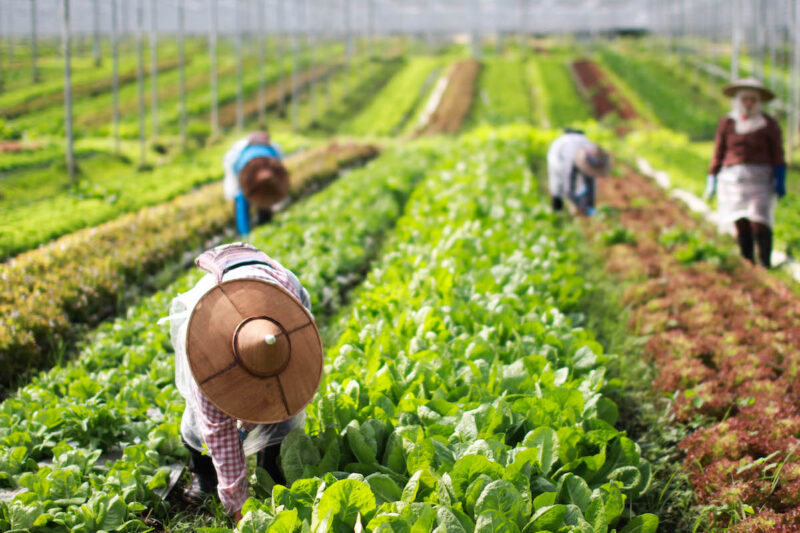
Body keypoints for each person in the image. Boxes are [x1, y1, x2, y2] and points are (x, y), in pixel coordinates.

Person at [164, 242, 323, 522]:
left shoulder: (293, 307)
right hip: (216, 298)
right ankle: (203, 473)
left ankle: (271, 468)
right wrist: (238, 505)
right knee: (199, 421)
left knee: (283, 412)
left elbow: (300, 359)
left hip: (275, 289)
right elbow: (218, 432)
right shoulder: (207, 350)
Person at [705, 78, 786, 268]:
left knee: (760, 220)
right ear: (737, 101)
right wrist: (712, 176)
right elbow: (719, 150)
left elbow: (778, 154)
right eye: (744, 99)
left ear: (758, 102)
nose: (748, 104)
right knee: (739, 220)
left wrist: (779, 178)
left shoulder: (768, 124)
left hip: (760, 179)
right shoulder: (727, 122)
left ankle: (765, 262)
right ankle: (747, 259)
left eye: (753, 100)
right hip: (732, 179)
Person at [223, 131, 290, 237]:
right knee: (241, 200)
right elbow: (232, 172)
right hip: (241, 174)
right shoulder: (239, 160)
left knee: (265, 201)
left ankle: (264, 226)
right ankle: (244, 233)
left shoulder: (273, 157)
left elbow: (281, 170)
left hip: (267, 180)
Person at [547, 128, 611, 216]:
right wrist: (579, 205)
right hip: (560, 165)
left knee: (582, 187)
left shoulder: (588, 146)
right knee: (558, 187)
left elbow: (591, 182)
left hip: (577, 160)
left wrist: (590, 205)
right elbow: (568, 185)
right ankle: (558, 209)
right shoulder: (564, 147)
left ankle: (584, 205)